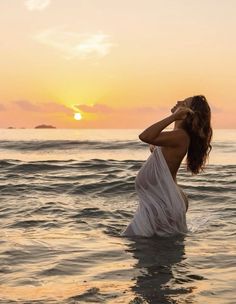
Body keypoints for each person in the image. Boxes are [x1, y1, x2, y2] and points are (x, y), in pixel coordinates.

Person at [122, 95, 212, 237]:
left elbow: (145, 136)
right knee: (156, 252)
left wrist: (173, 117)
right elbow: (153, 144)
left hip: (163, 201)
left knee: (149, 251)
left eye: (184, 102)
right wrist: (175, 119)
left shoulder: (180, 137)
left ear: (187, 113)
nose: (178, 102)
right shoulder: (176, 137)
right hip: (161, 199)